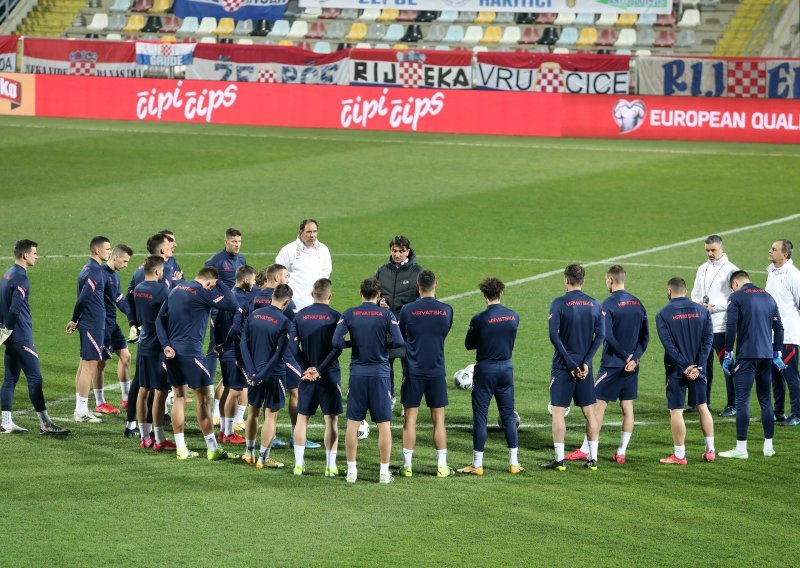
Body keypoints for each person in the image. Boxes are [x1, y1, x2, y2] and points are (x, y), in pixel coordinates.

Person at [566, 265, 648, 464]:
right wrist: (634, 358)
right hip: (632, 366)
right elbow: (645, 337)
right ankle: (621, 451)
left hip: (612, 364)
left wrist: (623, 357)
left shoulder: (608, 304)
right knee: (627, 407)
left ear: (610, 280)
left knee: (597, 407)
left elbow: (607, 336)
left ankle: (586, 449)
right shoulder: (638, 303)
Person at [155, 266, 240, 460]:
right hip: (192, 354)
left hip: (172, 354)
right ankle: (212, 448)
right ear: (209, 282)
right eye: (212, 286)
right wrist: (221, 284)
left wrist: (166, 345)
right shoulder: (202, 292)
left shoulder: (176, 290)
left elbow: (159, 320)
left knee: (178, 397)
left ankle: (181, 449)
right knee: (204, 399)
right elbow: (232, 304)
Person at [332, 277, 404, 484]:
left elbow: (336, 342)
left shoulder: (349, 314)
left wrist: (354, 342)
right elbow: (398, 341)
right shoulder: (387, 314)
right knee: (384, 425)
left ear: (360, 293)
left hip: (358, 375)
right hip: (380, 375)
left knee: (352, 424)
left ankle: (351, 472)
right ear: (379, 295)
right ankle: (383, 472)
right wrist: (382, 342)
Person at [0, 240, 69, 435]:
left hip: (10, 336)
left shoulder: (8, 274)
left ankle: (6, 422)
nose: (36, 256)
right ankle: (45, 423)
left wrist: (2, 328)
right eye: (34, 253)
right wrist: (8, 329)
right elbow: (14, 308)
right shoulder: (21, 278)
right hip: (19, 335)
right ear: (25, 255)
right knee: (35, 378)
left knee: (10, 378)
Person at [542, 265, 604, 471]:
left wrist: (570, 364)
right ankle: (593, 459)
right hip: (585, 367)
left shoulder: (559, 303)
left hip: (563, 365)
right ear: (583, 281)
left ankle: (560, 461)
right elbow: (600, 336)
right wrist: (585, 362)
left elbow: (554, 335)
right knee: (589, 412)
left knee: (558, 412)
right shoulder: (595, 304)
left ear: (566, 280)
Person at [249, 264, 318, 449]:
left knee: (260, 402)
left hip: (259, 356)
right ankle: (296, 436)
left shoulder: (257, 297)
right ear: (278, 278)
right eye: (286, 276)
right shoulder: (285, 300)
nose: (288, 279)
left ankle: (268, 438)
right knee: (295, 391)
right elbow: (298, 325)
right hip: (284, 355)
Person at [458, 277, 522, 475]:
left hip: (485, 370)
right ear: (501, 293)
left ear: (484, 295)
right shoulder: (514, 316)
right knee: (508, 416)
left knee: (480, 417)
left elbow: (469, 344)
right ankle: (514, 463)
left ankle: (477, 465)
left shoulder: (479, 319)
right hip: (506, 370)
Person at [123, 232, 183, 437]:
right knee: (151, 384)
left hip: (148, 335)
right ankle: (143, 427)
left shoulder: (161, 268)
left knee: (144, 383)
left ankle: (140, 425)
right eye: (170, 242)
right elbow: (169, 302)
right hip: (159, 337)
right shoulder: (155, 275)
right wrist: (134, 322)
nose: (174, 245)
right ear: (162, 250)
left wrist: (134, 322)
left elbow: (129, 297)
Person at [720, 271, 785, 459]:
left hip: (746, 356)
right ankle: (768, 447)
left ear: (735, 283)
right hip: (766, 357)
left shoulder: (736, 297)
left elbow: (731, 326)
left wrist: (728, 353)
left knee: (742, 401)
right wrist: (776, 351)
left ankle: (741, 449)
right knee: (766, 400)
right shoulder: (768, 296)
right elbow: (779, 328)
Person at [398, 270, 454, 478]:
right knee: (438, 418)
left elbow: (402, 334)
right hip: (436, 370)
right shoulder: (446, 310)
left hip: (413, 370)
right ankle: (441, 466)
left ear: (417, 286)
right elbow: (444, 331)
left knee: (410, 418)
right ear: (436, 285)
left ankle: (407, 466)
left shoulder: (407, 310)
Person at [655, 277, 715, 465]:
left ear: (669, 291)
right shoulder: (702, 311)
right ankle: (710, 451)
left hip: (676, 370)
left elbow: (669, 345)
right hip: (698, 369)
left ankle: (680, 455)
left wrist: (684, 366)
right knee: (702, 408)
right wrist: (698, 366)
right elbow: (708, 341)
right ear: (686, 291)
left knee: (676, 411)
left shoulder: (662, 314)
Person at [289, 278, 343, 476]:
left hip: (306, 376)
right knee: (331, 421)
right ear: (329, 295)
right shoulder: (337, 317)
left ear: (313, 294)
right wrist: (319, 369)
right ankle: (330, 466)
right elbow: (337, 349)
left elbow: (293, 347)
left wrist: (307, 368)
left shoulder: (300, 316)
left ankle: (298, 465)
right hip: (329, 375)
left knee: (302, 419)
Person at [240, 284, 294, 470]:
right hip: (274, 374)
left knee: (252, 412)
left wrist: (252, 372)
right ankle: (263, 458)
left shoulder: (254, 315)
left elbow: (243, 344)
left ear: (273, 296)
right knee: (271, 416)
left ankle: (249, 453)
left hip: (253, 373)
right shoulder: (285, 321)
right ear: (286, 302)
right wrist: (262, 374)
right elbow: (279, 354)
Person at [689, 235, 739, 416]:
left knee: (727, 365)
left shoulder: (731, 270)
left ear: (722, 249)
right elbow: (695, 293)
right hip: (702, 325)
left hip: (721, 326)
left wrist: (714, 308)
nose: (710, 253)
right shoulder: (702, 268)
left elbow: (736, 298)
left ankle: (733, 404)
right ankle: (703, 402)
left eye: (713, 250)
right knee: (702, 365)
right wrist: (697, 307)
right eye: (707, 250)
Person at [66, 236, 112, 423]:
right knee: (89, 366)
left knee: (84, 364)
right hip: (92, 324)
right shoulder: (95, 271)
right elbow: (84, 298)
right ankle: (82, 411)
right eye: (108, 249)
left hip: (90, 323)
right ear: (97, 251)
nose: (110, 252)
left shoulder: (89, 268)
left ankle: (80, 408)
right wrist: (74, 319)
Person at [133, 255, 175, 451]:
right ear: (158, 271)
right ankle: (159, 438)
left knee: (144, 390)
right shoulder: (162, 290)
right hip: (159, 346)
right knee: (161, 392)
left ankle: (144, 436)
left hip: (144, 344)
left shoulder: (138, 289)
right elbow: (168, 317)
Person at [375, 236, 424, 402]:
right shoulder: (382, 270)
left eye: (401, 251)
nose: (397, 254)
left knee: (407, 366)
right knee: (386, 363)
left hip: (407, 327)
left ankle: (407, 401)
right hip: (385, 325)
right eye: (394, 251)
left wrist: (410, 311)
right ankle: (390, 397)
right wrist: (378, 302)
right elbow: (372, 294)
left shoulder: (418, 271)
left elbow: (426, 298)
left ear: (408, 252)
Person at [214, 264, 256, 445]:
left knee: (228, 389)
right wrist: (226, 345)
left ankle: (224, 430)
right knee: (235, 391)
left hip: (224, 349)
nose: (254, 284)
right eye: (253, 280)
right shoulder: (242, 300)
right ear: (246, 280)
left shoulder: (226, 296)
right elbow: (235, 327)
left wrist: (218, 344)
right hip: (234, 350)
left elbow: (215, 321)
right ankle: (229, 432)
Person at [204, 228, 247, 390]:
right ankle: (207, 386)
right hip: (220, 311)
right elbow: (205, 285)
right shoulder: (214, 261)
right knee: (214, 346)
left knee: (235, 343)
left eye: (239, 241)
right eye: (234, 241)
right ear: (226, 242)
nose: (237, 245)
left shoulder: (241, 260)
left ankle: (231, 380)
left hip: (237, 309)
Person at [765, 239, 800, 426]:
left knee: (791, 375)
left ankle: (797, 414)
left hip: (787, 336)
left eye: (774, 249)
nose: (770, 251)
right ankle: (778, 411)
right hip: (771, 335)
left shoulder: (793, 275)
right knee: (775, 376)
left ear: (784, 255)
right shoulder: (772, 272)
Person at [96, 244, 134, 414]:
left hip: (113, 324)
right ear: (116, 257)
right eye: (125, 261)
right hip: (102, 325)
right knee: (101, 363)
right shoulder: (101, 275)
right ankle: (99, 402)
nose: (126, 265)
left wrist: (135, 317)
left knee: (125, 356)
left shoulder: (115, 277)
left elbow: (119, 300)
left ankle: (126, 398)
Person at [276, 219, 332, 311]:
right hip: (294, 306)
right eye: (309, 232)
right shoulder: (288, 250)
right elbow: (278, 276)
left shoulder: (323, 250)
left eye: (315, 231)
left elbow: (325, 274)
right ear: (301, 232)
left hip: (317, 305)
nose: (312, 235)